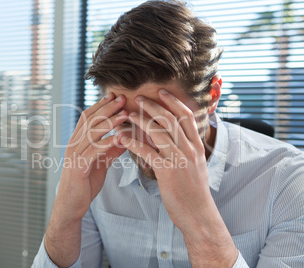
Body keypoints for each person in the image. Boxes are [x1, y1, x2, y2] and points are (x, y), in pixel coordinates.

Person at [32, 1, 304, 267]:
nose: (142, 144)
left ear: (212, 97)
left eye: (160, 123)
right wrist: (66, 214)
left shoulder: (287, 181)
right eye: (125, 122)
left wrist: (200, 220)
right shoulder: (97, 171)